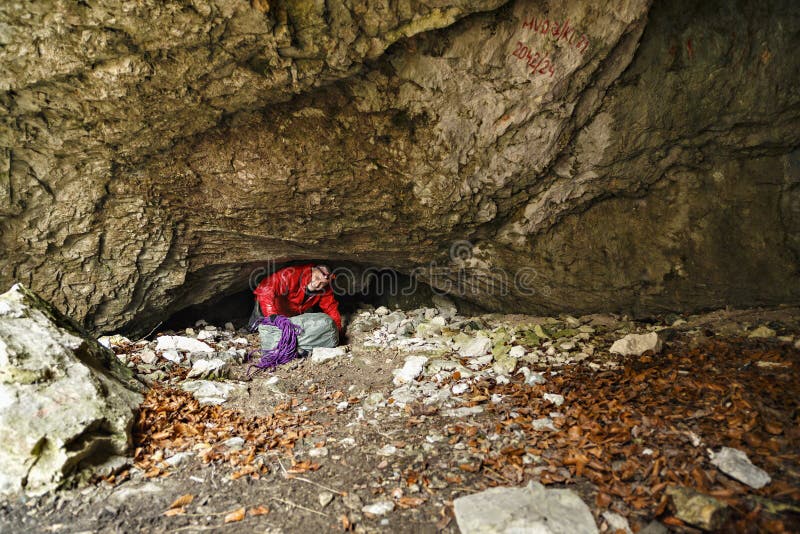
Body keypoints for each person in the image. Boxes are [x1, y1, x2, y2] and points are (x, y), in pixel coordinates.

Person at [250, 263, 342, 335]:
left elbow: (330, 308)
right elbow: (266, 289)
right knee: (256, 330)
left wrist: (338, 330)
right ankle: (251, 328)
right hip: (270, 306)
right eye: (317, 278)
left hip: (292, 314)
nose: (317, 284)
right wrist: (272, 316)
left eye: (323, 283)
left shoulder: (324, 290)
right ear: (312, 270)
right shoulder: (292, 274)